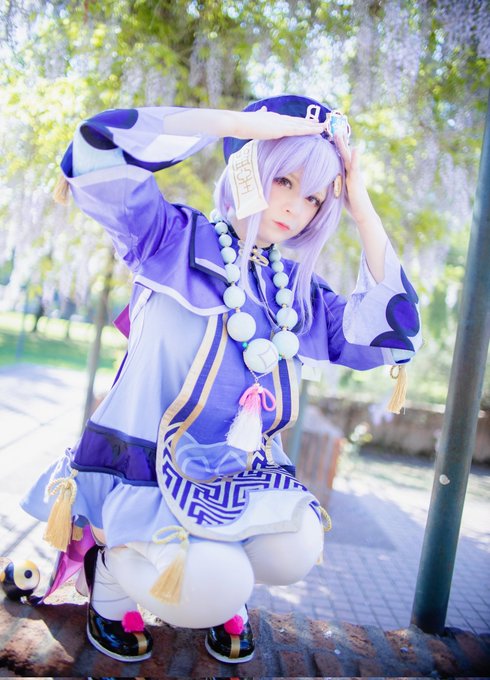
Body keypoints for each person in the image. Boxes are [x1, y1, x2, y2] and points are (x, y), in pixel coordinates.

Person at [18, 95, 422, 664]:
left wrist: (361, 206)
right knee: (215, 586)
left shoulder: (296, 291)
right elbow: (98, 147)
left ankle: (215, 575)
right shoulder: (168, 237)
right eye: (283, 179)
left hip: (235, 474)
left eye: (313, 196)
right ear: (250, 169)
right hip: (148, 467)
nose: (295, 207)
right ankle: (112, 575)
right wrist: (239, 126)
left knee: (297, 545)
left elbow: (393, 329)